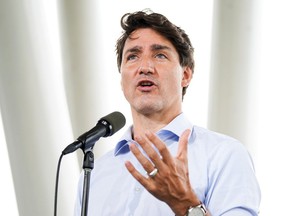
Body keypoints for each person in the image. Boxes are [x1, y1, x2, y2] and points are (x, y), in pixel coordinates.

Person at [74, 10, 261, 216]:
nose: (145, 67)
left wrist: (186, 205)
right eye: (133, 56)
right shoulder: (94, 173)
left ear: (186, 75)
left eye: (160, 55)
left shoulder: (224, 155)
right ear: (122, 79)